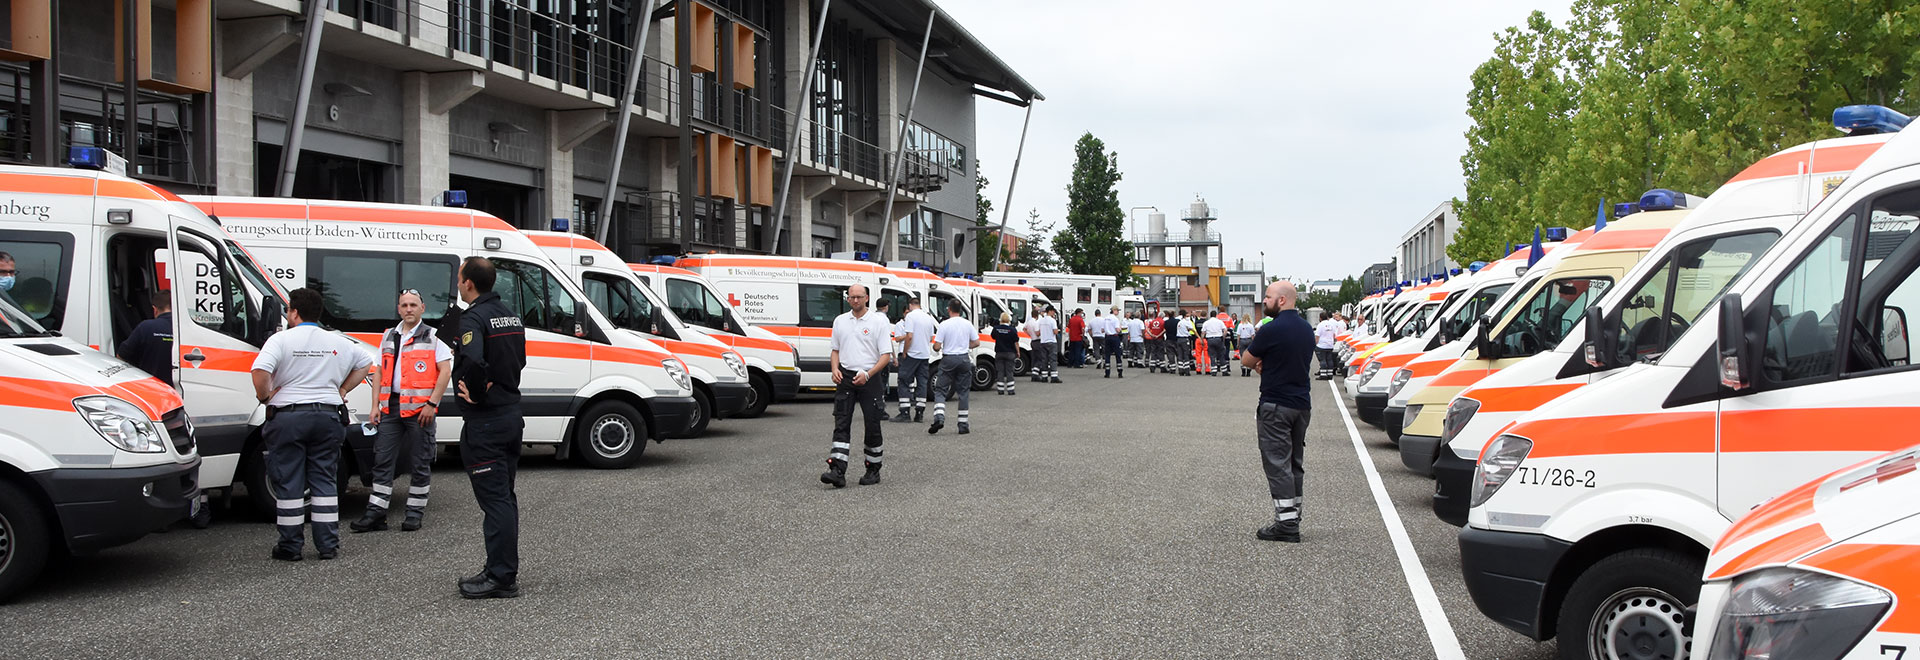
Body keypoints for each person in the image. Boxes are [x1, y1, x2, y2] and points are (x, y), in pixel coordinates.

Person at [250, 288, 374, 562]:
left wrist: (265, 396)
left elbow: (260, 372)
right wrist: (342, 390)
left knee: (290, 481)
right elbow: (366, 363)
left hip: (289, 417)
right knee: (324, 480)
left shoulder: (280, 340)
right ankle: (327, 545)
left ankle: (291, 547)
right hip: (328, 416)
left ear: (294, 312)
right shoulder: (338, 342)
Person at [451, 257, 529, 599]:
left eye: (459, 277)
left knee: (496, 501)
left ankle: (500, 577)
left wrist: (477, 392)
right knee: (504, 498)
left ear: (468, 282)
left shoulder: (474, 317)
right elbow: (520, 360)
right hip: (511, 414)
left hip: (488, 421)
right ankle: (499, 567)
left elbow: (472, 360)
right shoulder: (510, 314)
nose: (458, 282)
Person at [352, 290, 454, 534]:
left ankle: (414, 514)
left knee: (420, 462)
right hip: (391, 408)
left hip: (421, 410)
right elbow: (378, 372)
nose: (409, 309)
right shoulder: (389, 335)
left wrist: (432, 404)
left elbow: (445, 371)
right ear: (399, 308)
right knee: (382, 460)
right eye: (404, 305)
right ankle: (376, 513)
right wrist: (375, 405)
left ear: (422, 308)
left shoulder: (434, 336)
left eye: (413, 305)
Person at [1241, 281, 1313, 543]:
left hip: (1275, 406)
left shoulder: (1272, 329)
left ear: (1281, 300)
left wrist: (1263, 363)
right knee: (1294, 463)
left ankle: (1286, 525)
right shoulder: (1306, 329)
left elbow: (1246, 360)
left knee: (1277, 463)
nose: (1265, 301)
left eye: (1268, 297)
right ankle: (1294, 515)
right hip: (1301, 405)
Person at [821, 284, 891, 489]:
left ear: (867, 298)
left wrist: (868, 375)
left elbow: (885, 356)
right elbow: (835, 350)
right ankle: (837, 470)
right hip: (846, 376)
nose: (855, 301)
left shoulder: (878, 322)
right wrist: (835, 369)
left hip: (870, 377)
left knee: (872, 423)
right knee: (841, 422)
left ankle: (873, 469)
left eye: (859, 297)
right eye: (851, 297)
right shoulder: (841, 321)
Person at [927, 303, 979, 434]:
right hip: (964, 358)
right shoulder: (967, 324)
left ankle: (939, 417)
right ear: (960, 310)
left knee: (940, 390)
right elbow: (977, 342)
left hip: (948, 359)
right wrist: (964, 346)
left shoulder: (944, 324)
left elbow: (937, 346)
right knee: (963, 392)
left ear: (949, 309)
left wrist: (937, 347)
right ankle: (963, 424)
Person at [892, 296, 937, 423]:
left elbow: (909, 336)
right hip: (924, 355)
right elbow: (929, 338)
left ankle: (905, 412)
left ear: (910, 305)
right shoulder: (928, 318)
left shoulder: (910, 317)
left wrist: (905, 351)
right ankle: (919, 413)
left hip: (912, 354)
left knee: (904, 381)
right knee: (922, 383)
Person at [118, 291, 176, 387]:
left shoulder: (146, 327)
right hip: (179, 389)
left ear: (154, 309)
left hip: (151, 387)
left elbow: (121, 356)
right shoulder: (186, 328)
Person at [991, 312, 1019, 395]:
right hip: (1010, 353)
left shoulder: (996, 329)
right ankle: (1010, 390)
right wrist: (1018, 352)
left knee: (1000, 371)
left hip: (999, 352)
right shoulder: (1012, 330)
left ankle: (1000, 389)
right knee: (1009, 371)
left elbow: (993, 336)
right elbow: (1016, 342)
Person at [1314, 312, 1343, 380]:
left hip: (1322, 345)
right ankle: (1330, 374)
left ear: (1320, 318)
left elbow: (1317, 336)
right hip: (1330, 345)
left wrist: (1315, 344)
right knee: (1329, 360)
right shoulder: (1331, 324)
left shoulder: (1320, 325)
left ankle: (1323, 374)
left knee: (1323, 360)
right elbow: (1334, 335)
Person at [1037, 307, 1061, 383]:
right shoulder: (1052, 321)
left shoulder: (1041, 321)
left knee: (1044, 360)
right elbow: (1055, 332)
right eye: (1053, 311)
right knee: (1053, 359)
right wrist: (1058, 330)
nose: (1054, 313)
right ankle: (1054, 377)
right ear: (1049, 311)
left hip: (1043, 342)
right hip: (1051, 342)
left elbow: (1038, 332)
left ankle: (1044, 377)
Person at [1202, 309, 1229, 377]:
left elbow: (1203, 332)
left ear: (1210, 315)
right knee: (1221, 354)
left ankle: (1214, 371)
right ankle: (1224, 371)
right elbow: (1225, 330)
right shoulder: (1219, 322)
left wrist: (1202, 340)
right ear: (1216, 315)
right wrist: (1223, 337)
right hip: (1218, 338)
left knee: (1212, 355)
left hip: (1210, 339)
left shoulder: (1206, 322)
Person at [1101, 307, 1125, 378]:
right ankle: (1120, 372)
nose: (1118, 312)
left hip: (1107, 337)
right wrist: (1121, 328)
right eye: (1117, 311)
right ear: (1114, 311)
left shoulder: (1105, 318)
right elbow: (1117, 330)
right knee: (1118, 355)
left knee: (1107, 354)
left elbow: (1102, 330)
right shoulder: (1115, 319)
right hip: (1114, 337)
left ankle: (1107, 373)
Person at [1173, 310, 1193, 375]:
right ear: (1185, 316)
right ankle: (1187, 370)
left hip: (1179, 339)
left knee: (1180, 355)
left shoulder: (1179, 322)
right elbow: (1191, 329)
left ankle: (1180, 370)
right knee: (1186, 354)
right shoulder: (1186, 322)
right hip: (1185, 339)